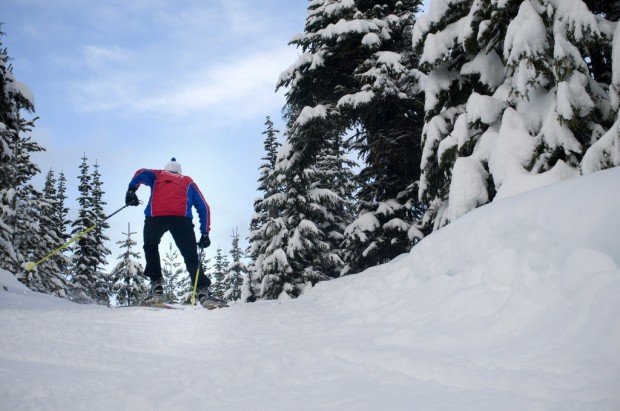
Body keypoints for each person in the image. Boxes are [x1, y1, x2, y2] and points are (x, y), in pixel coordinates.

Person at [125, 158, 213, 306]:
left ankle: (156, 287)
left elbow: (141, 173)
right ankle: (202, 291)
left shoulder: (158, 174)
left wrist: (131, 190)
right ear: (179, 171)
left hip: (155, 217)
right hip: (181, 219)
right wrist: (205, 233)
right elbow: (203, 207)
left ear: (166, 169)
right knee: (191, 256)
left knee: (151, 246)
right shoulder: (188, 181)